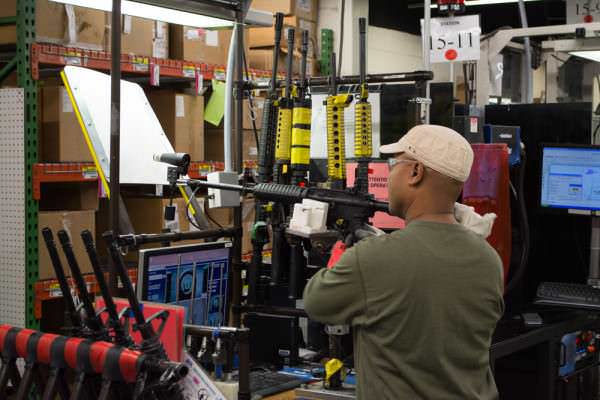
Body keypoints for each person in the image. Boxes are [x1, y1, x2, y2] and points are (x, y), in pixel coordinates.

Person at [303, 125, 504, 400]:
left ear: (415, 172)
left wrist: (341, 251)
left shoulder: (374, 258)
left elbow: (316, 302)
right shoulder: (488, 259)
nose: (389, 174)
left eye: (394, 164)